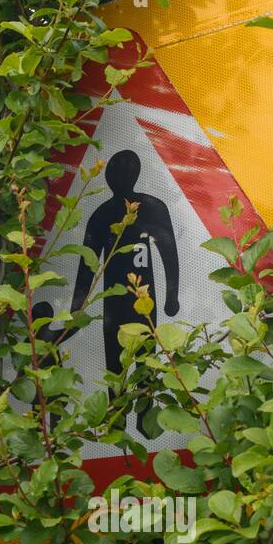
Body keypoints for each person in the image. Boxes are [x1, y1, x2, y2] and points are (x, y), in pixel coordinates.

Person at [70, 148, 180, 380]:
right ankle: (116, 413)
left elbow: (169, 253)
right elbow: (87, 264)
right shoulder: (102, 215)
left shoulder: (151, 208)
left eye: (123, 173)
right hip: (114, 307)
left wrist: (172, 295)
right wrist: (76, 308)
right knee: (116, 374)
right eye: (114, 173)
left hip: (143, 305)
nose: (118, 178)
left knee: (144, 373)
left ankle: (139, 413)